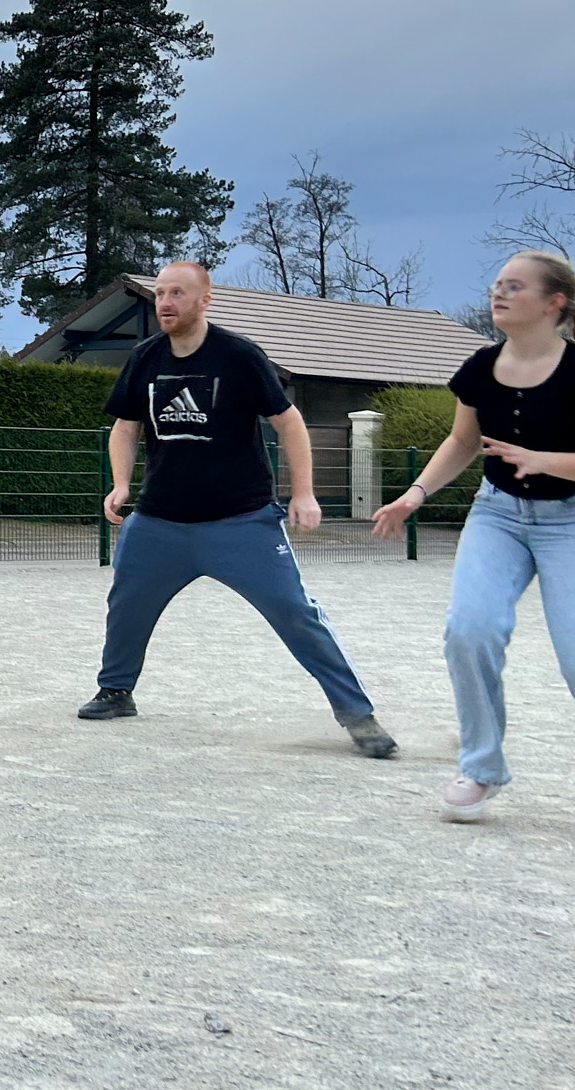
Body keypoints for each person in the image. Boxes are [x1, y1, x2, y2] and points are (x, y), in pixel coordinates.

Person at [78, 260, 398, 758]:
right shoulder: (145, 358)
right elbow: (125, 426)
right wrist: (121, 484)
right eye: (160, 293)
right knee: (126, 605)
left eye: (177, 293)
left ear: (205, 300)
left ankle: (358, 715)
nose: (165, 302)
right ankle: (116, 691)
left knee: (296, 612)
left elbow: (289, 422)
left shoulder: (239, 355)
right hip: (160, 520)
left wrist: (304, 493)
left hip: (242, 521)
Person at [373, 250, 575, 842]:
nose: (498, 294)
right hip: (497, 517)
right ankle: (481, 768)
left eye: (514, 287)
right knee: (469, 632)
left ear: (553, 303)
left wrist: (543, 460)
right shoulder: (479, 367)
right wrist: (415, 494)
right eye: (497, 285)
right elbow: (462, 441)